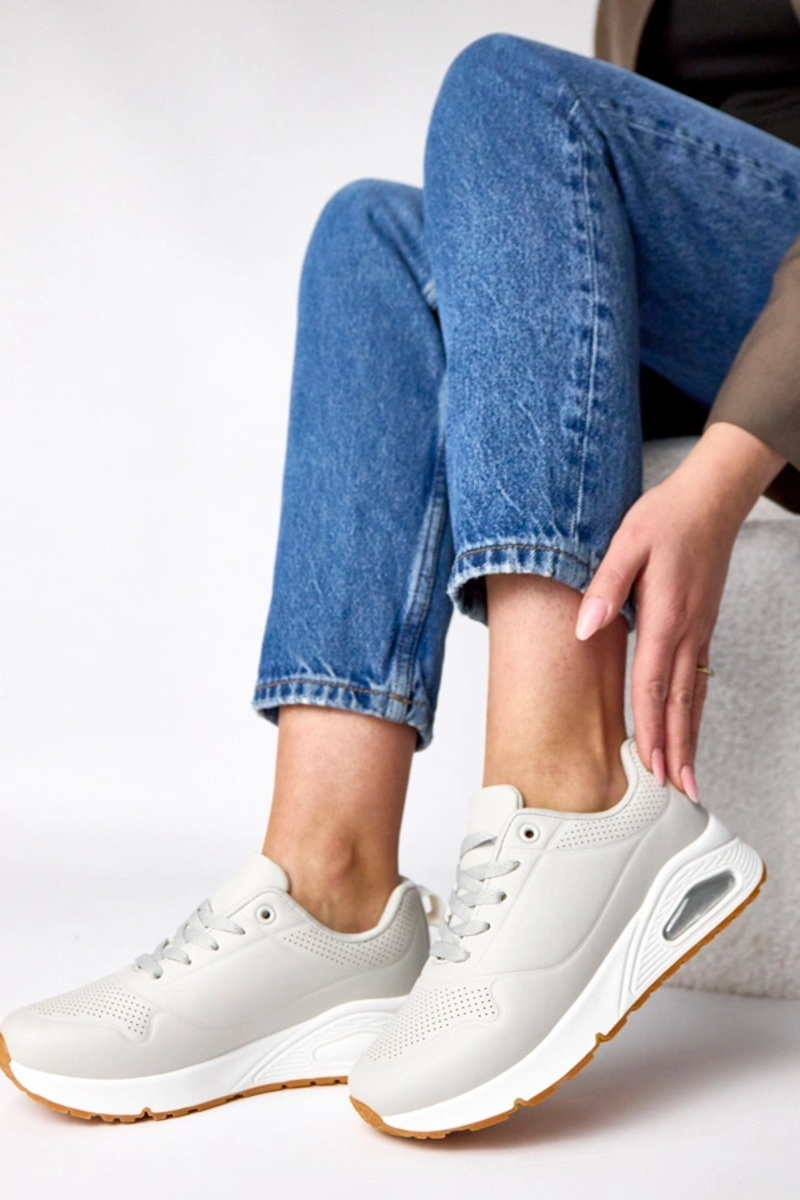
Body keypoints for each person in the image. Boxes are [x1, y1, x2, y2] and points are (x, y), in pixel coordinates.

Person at [1, 0, 798, 1137]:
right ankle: (326, 890)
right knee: (372, 238)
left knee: (507, 91)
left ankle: (570, 792)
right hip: (732, 296)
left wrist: (724, 469)